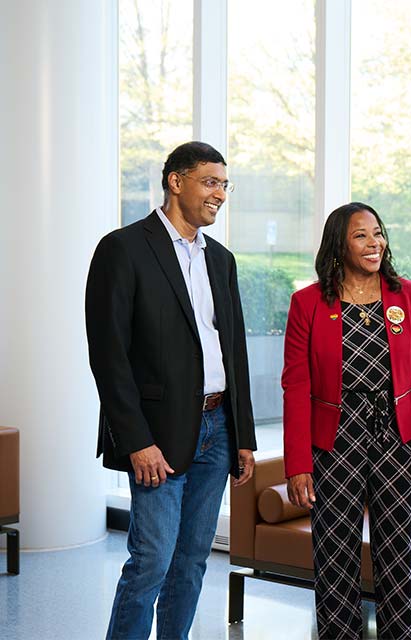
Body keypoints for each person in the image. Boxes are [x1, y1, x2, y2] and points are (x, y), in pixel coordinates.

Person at [85, 141, 257, 640]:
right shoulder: (123, 248)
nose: (219, 194)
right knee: (151, 563)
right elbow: (109, 356)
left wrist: (243, 434)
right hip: (157, 435)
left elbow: (235, 353)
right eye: (210, 181)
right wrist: (135, 440)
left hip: (218, 428)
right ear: (175, 181)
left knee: (192, 561)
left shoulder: (221, 260)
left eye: (225, 184)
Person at [282, 202, 411, 640]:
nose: (374, 243)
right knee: (334, 557)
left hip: (396, 440)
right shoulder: (307, 303)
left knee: (400, 556)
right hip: (334, 441)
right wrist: (298, 465)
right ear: (338, 245)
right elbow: (295, 387)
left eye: (378, 233)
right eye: (361, 235)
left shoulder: (410, 296)